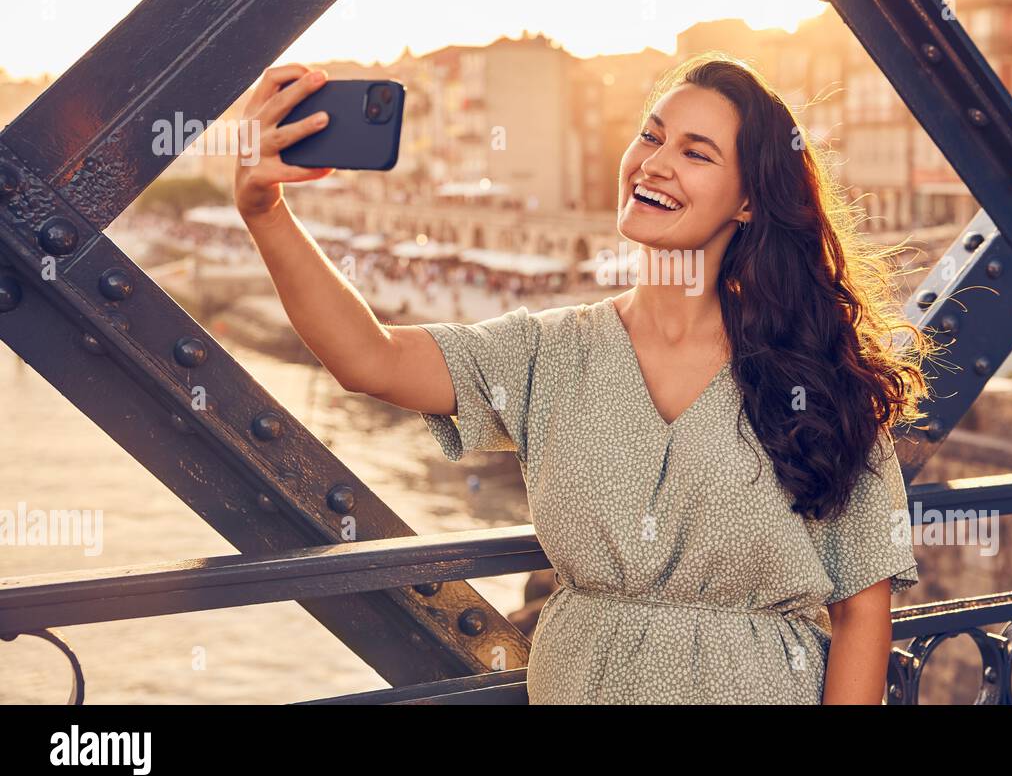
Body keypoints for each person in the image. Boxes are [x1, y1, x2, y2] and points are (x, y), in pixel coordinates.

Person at [233, 54, 932, 705]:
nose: (654, 164)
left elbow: (862, 610)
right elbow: (370, 357)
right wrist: (266, 214)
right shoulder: (547, 352)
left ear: (748, 202)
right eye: (650, 136)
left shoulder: (817, 369)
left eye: (695, 152)